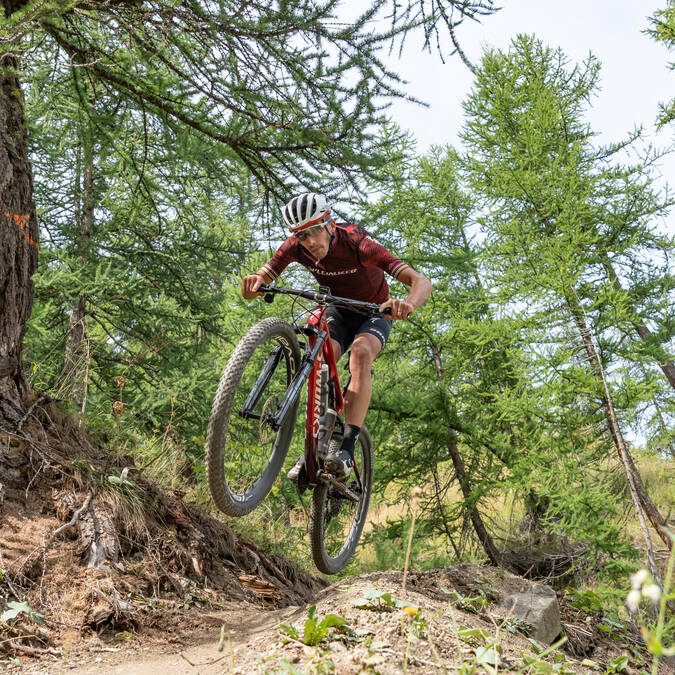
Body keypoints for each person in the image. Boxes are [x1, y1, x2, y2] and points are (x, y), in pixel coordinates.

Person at [242, 193, 432, 482]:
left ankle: (347, 445)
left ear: (329, 223)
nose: (309, 242)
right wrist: (254, 284)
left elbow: (420, 282)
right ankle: (317, 439)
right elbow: (264, 277)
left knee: (361, 354)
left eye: (315, 231)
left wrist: (408, 304)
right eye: (301, 236)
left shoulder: (359, 244)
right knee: (318, 352)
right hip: (338, 311)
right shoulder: (296, 247)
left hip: (373, 312)